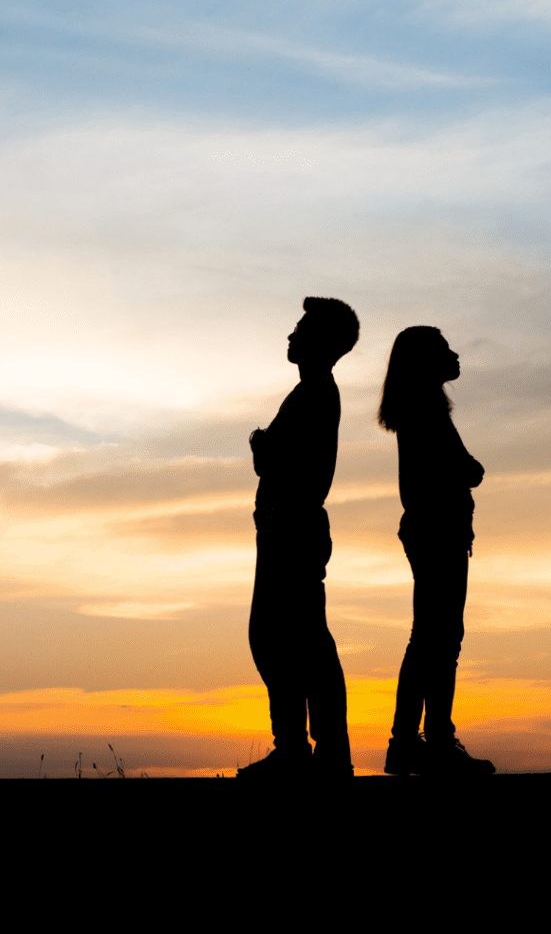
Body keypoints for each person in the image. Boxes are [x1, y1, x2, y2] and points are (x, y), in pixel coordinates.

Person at [239, 297, 359, 779]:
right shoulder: (310, 392)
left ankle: (310, 750)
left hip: (293, 530)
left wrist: (259, 442)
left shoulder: (314, 395)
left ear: (324, 342)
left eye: (302, 328)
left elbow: (273, 459)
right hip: (286, 529)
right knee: (287, 640)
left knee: (289, 640)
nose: (291, 335)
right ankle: (308, 748)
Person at [378, 326, 495, 776]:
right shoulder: (426, 412)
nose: (456, 354)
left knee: (433, 638)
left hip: (434, 531)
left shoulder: (421, 410)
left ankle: (413, 742)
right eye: (445, 349)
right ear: (426, 361)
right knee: (439, 641)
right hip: (437, 532)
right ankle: (429, 741)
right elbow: (467, 469)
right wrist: (469, 468)